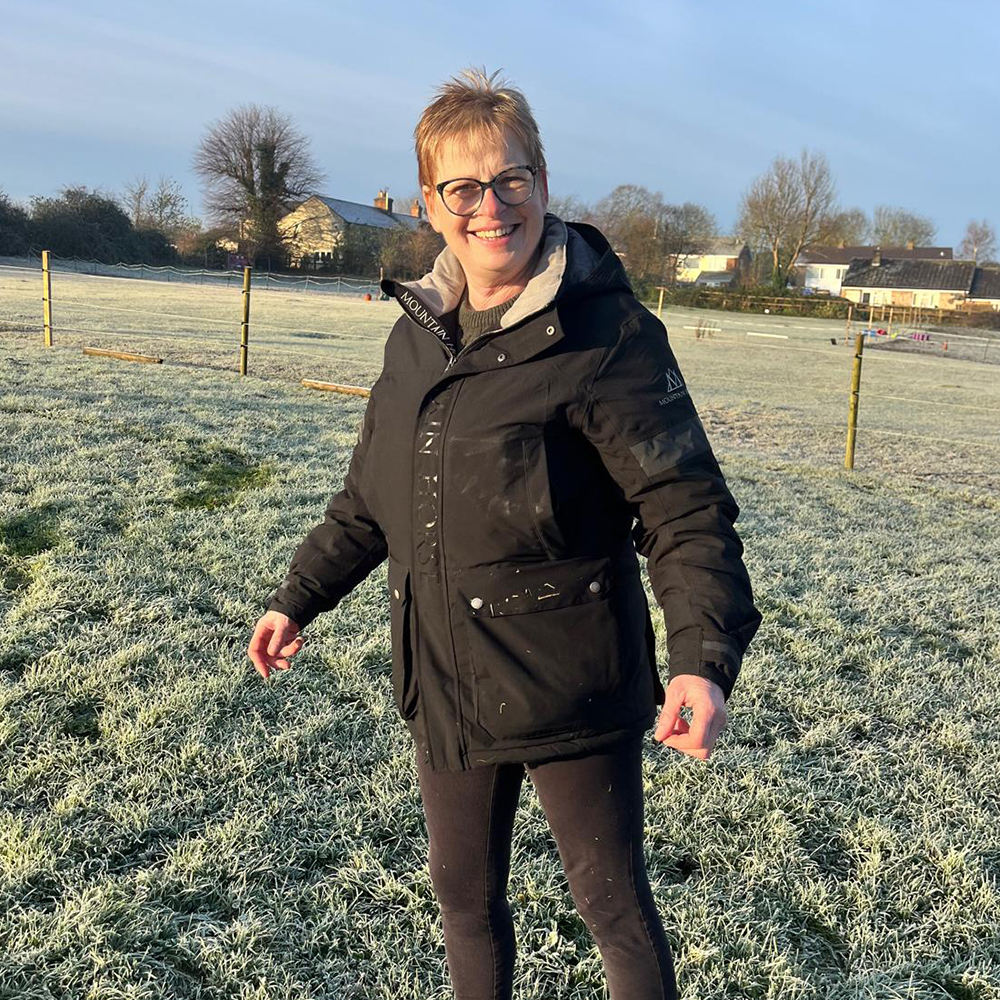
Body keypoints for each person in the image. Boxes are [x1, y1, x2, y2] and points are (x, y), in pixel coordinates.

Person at [248, 68, 762, 1000]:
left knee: (610, 907)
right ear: (430, 205)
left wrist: (702, 657)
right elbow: (373, 495)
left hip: (570, 674)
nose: (492, 207)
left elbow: (683, 504)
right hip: (443, 671)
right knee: (463, 896)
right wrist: (300, 597)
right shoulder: (417, 332)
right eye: (465, 188)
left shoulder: (608, 336)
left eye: (511, 179)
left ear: (544, 183)